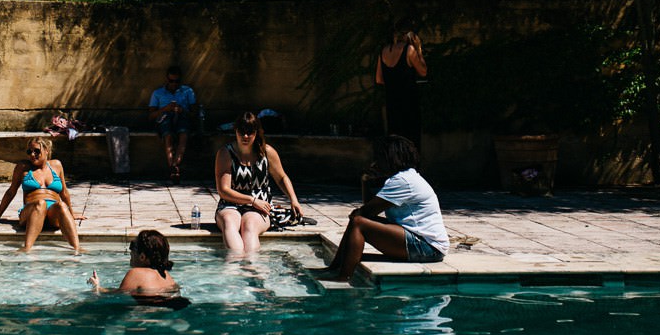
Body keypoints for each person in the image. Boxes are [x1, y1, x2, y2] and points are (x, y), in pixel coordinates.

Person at [322, 135, 448, 282]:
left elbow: (366, 212)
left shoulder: (402, 181)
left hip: (427, 247)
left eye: (380, 157)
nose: (376, 162)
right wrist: (366, 181)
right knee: (358, 222)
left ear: (391, 158)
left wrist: (357, 214)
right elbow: (369, 211)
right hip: (424, 244)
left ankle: (343, 277)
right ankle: (334, 269)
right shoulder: (405, 177)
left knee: (358, 223)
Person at [213, 111, 304, 254]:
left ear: (257, 133)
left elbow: (281, 178)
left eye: (250, 132)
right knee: (230, 223)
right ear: (235, 131)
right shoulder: (226, 153)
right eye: (241, 132)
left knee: (249, 226)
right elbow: (223, 190)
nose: (245, 136)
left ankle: (252, 267)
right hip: (230, 203)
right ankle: (234, 266)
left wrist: (294, 199)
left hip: (260, 206)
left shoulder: (266, 152)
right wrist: (251, 200)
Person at [0, 136, 83, 253]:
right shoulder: (23, 167)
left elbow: (64, 192)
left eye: (36, 151)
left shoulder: (56, 165)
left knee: (62, 206)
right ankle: (27, 248)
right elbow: (10, 192)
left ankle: (77, 249)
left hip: (52, 214)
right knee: (40, 203)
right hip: (30, 212)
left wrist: (72, 215)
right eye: (29, 152)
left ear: (46, 151)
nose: (32, 155)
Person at [88, 229, 187, 308]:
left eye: (133, 247)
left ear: (142, 256)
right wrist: (100, 287)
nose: (130, 252)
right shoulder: (167, 277)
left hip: (145, 318)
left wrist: (95, 289)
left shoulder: (136, 273)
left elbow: (116, 298)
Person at [376, 18, 429, 146]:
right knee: (411, 141)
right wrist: (419, 50)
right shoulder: (410, 50)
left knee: (395, 141)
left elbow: (379, 79)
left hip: (392, 104)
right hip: (409, 103)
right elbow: (423, 71)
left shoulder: (383, 51)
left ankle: (396, 165)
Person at [149, 64, 197, 181]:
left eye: (177, 81)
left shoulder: (188, 91)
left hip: (182, 116)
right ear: (167, 79)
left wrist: (182, 110)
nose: (174, 84)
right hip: (165, 117)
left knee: (183, 135)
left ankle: (174, 167)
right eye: (171, 81)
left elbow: (194, 114)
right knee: (168, 136)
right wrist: (165, 109)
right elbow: (151, 116)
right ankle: (173, 167)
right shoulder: (158, 93)